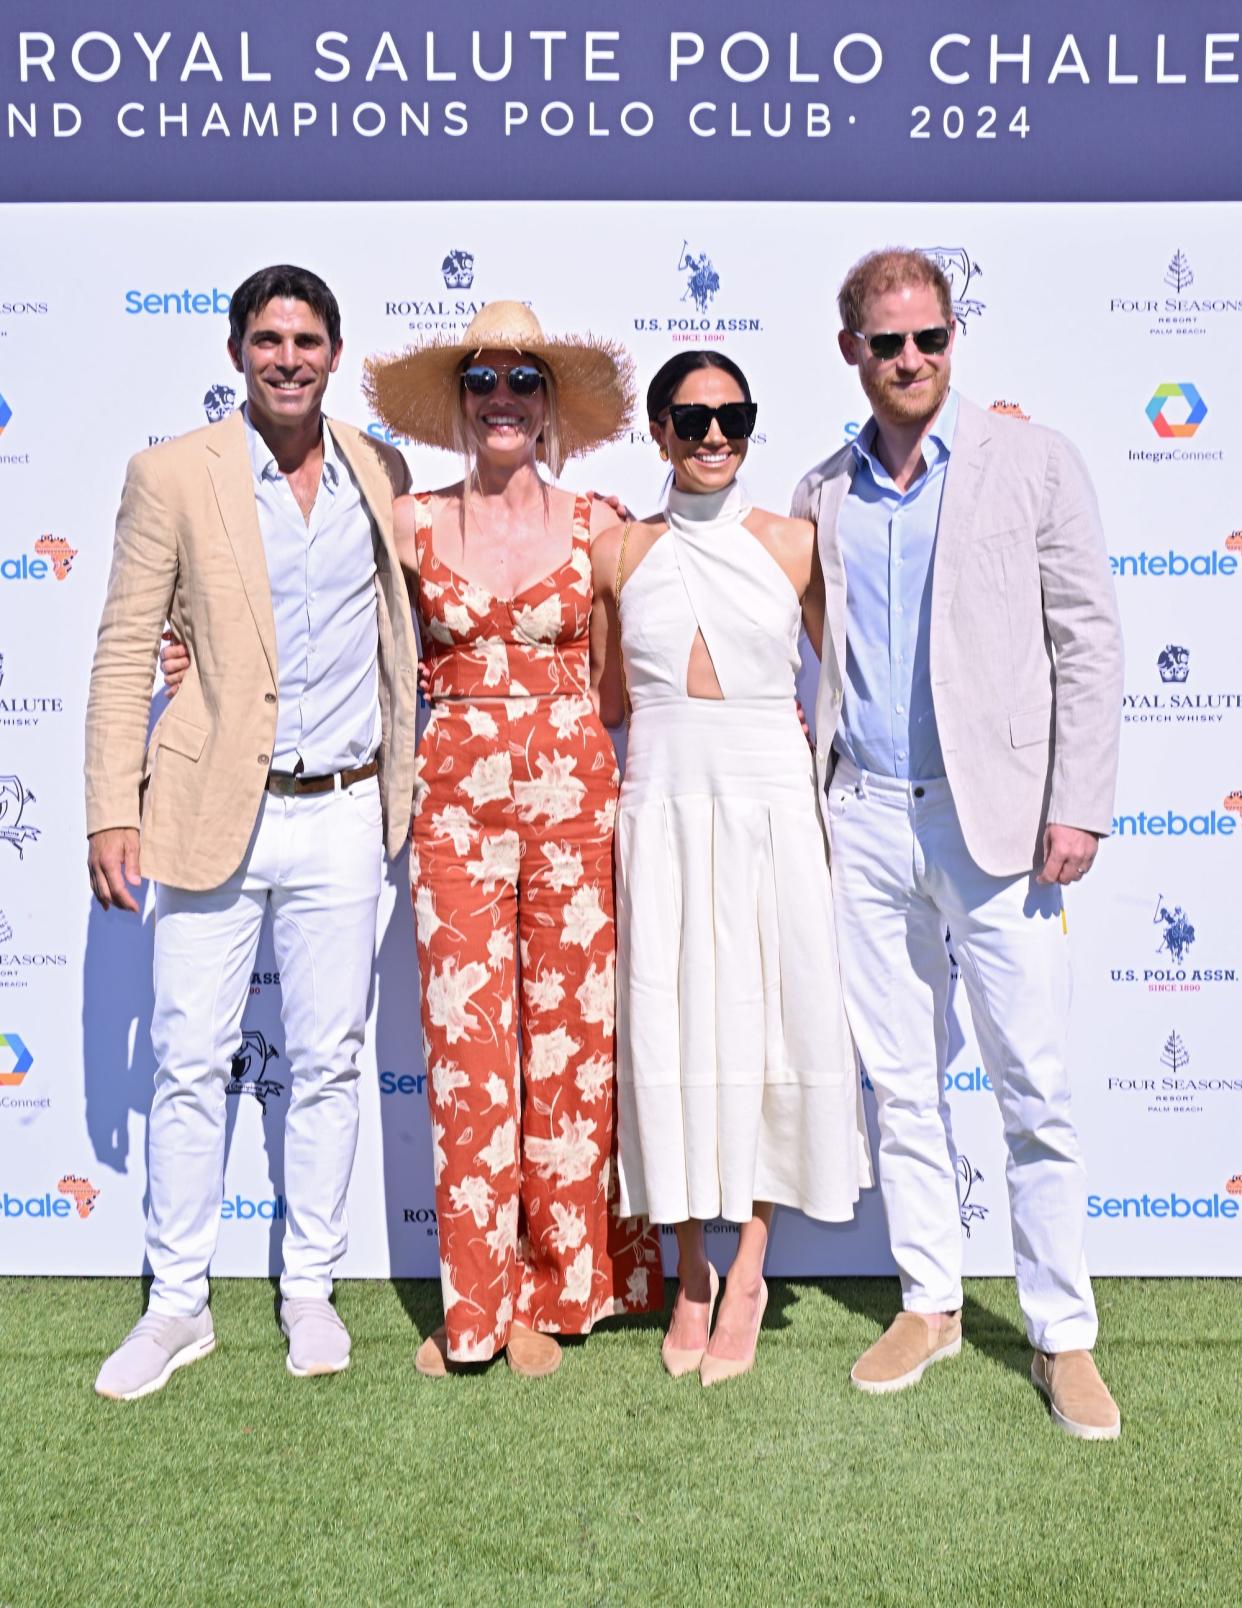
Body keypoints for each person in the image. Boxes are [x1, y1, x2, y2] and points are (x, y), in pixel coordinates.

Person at [793, 248, 1124, 1438]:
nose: (914, 360)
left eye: (931, 338)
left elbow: (1086, 638)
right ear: (854, 354)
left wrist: (1077, 798)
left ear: (952, 339)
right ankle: (929, 1300)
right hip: (867, 816)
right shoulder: (821, 489)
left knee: (1034, 1083)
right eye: (889, 343)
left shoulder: (1030, 462)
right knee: (901, 1078)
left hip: (1000, 825)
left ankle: (1062, 1333)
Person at [85, 264, 418, 1399]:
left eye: (308, 339)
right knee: (188, 1062)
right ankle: (177, 1305)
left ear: (334, 352)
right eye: (268, 339)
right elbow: (129, 646)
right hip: (211, 807)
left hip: (345, 812)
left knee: (326, 1063)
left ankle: (309, 1290)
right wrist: (108, 809)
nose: (288, 357)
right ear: (236, 353)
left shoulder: (382, 470)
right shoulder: (172, 474)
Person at [363, 302, 664, 1376]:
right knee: (471, 1057)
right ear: (460, 402)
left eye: (523, 382)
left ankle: (559, 1290)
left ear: (549, 407)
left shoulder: (602, 521)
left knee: (572, 1047)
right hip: (449, 807)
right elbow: (341, 636)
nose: (503, 399)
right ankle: (476, 1308)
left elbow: (632, 676)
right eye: (483, 381)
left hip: (579, 800)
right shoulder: (408, 523)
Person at [591, 352, 871, 1385]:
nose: (714, 437)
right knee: (671, 1025)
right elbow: (603, 697)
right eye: (692, 418)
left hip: (771, 803)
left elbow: (854, 672)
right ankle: (691, 1269)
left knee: (762, 1026)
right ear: (658, 431)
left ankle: (751, 1264)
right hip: (660, 802)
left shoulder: (795, 544)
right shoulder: (617, 551)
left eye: (733, 417)